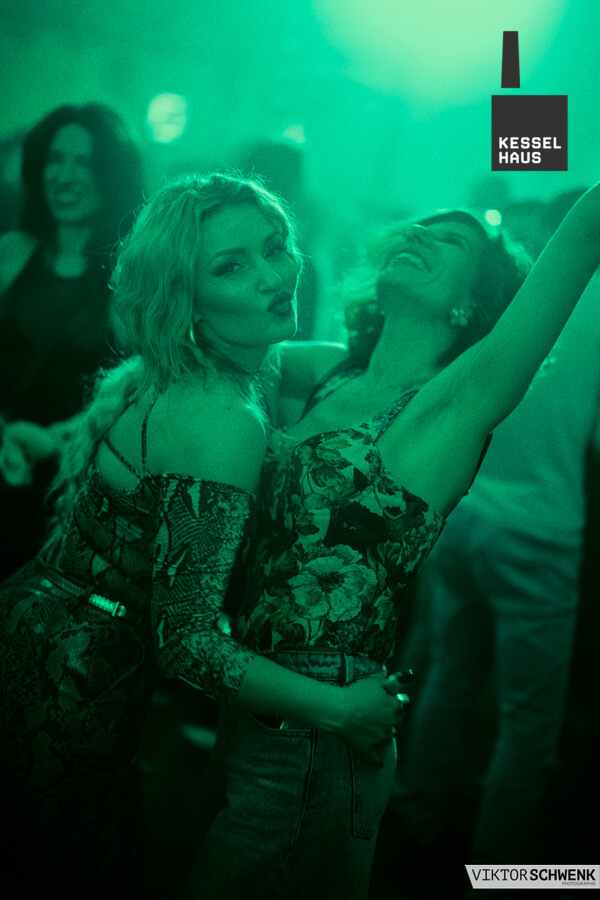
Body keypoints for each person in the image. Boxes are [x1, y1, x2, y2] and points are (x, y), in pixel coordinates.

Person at [184, 182, 600, 900]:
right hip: (249, 685)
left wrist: (543, 142)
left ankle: (506, 878)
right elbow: (198, 341)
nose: (421, 234)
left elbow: (589, 222)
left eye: (452, 240)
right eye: (420, 225)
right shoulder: (328, 373)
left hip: (324, 716)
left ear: (471, 304)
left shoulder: (453, 402)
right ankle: (424, 821)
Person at [0, 172, 407, 900]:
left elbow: (364, 370)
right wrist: (341, 709)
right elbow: (187, 642)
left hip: (48, 628)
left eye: (275, 247)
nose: (272, 276)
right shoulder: (223, 419)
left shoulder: (218, 362)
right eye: (231, 266)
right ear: (185, 298)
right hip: (73, 671)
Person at [393, 191, 600, 868]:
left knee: (448, 678)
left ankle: (417, 821)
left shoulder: (506, 288)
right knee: (528, 720)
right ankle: (500, 872)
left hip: (464, 513)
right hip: (541, 529)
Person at [0, 102, 144, 579]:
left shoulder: (128, 278)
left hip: (71, 478)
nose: (64, 175)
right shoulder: (13, 252)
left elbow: (138, 385)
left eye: (83, 162)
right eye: (54, 159)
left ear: (111, 174)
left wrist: (53, 440)